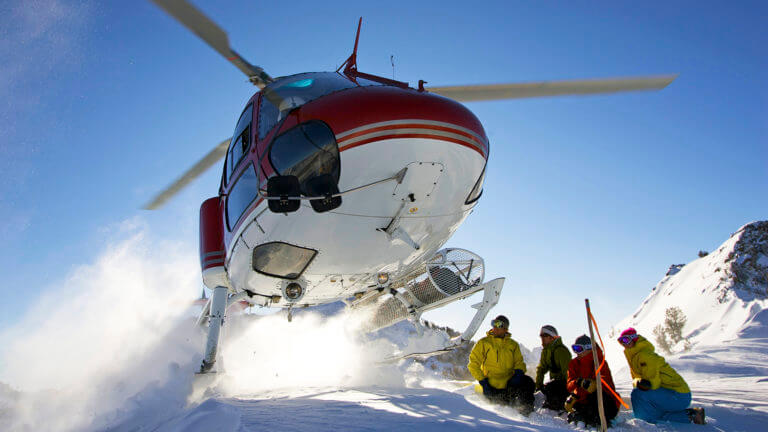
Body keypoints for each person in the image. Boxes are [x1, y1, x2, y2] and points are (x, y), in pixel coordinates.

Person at [618, 327, 706, 425]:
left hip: (677, 395)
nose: (623, 343)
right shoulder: (635, 357)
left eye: (626, 340)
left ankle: (643, 424)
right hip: (671, 395)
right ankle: (692, 415)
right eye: (621, 341)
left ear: (634, 338)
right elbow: (639, 381)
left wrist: (642, 384)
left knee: (638, 394)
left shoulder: (645, 356)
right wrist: (639, 383)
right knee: (655, 413)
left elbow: (652, 384)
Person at [468, 315, 536, 415]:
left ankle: (526, 413)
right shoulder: (484, 343)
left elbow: (519, 363)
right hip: (490, 384)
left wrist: (517, 374)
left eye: (498, 324)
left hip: (509, 384)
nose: (494, 327)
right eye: (493, 323)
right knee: (498, 405)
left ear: (505, 329)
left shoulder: (512, 345)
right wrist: (483, 382)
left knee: (528, 382)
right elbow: (473, 364)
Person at [564, 335, 620, 427]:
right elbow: (569, 385)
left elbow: (606, 384)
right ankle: (582, 416)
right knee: (572, 403)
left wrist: (592, 384)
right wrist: (577, 383)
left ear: (589, 348)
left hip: (605, 402)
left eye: (579, 348)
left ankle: (600, 420)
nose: (576, 352)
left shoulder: (599, 362)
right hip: (583, 400)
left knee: (594, 394)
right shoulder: (574, 364)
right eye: (574, 348)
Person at [535, 325, 572, 411]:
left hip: (565, 384)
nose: (542, 338)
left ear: (552, 337)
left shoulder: (561, 351)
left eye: (545, 336)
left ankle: (556, 408)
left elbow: (568, 373)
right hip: (555, 383)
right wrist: (539, 386)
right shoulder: (546, 350)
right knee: (549, 387)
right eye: (541, 336)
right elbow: (541, 369)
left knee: (551, 387)